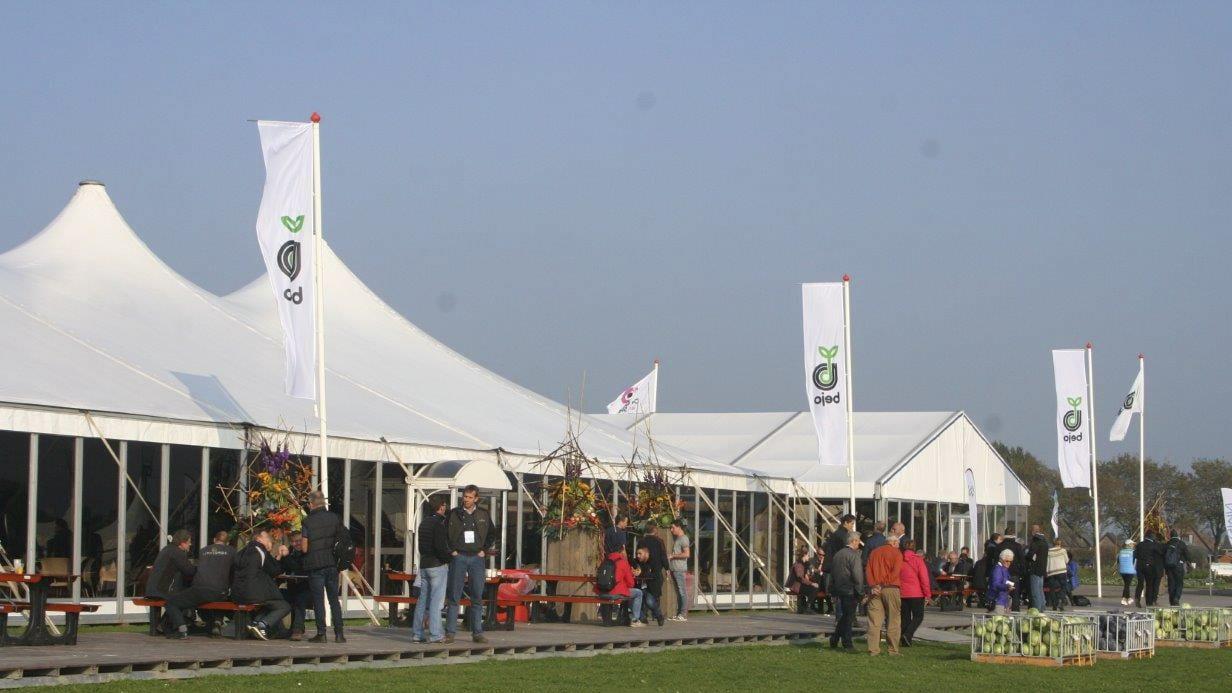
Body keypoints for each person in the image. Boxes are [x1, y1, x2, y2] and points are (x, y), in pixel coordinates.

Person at [446, 484, 496, 643]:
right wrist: (452, 550)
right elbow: (444, 533)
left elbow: (492, 533)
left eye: (469, 497)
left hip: (477, 558)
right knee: (454, 595)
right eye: (465, 497)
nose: (466, 500)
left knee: (477, 596)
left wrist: (484, 550)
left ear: (476, 499)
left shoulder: (483, 514)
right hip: (459, 556)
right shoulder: (454, 513)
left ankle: (477, 633)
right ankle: (450, 633)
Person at [302, 490, 347, 643]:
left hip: (315, 565)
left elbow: (304, 548)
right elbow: (342, 539)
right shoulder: (335, 518)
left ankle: (321, 633)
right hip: (332, 564)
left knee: (318, 600)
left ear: (311, 504)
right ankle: (339, 634)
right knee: (334, 599)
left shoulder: (307, 521)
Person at [232, 528, 289, 641]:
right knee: (283, 605)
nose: (270, 540)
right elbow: (274, 571)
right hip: (253, 592)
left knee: (268, 603)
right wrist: (282, 556)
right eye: (267, 538)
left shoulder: (241, 552)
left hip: (237, 593)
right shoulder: (260, 550)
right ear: (259, 539)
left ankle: (255, 624)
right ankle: (262, 625)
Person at [410, 496, 452, 643]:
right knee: (436, 601)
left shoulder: (424, 523)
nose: (445, 508)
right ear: (441, 507)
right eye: (445, 505)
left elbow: (421, 547)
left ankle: (417, 633)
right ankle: (436, 634)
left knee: (422, 601)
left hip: (424, 564)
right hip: (437, 565)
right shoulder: (439, 524)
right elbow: (440, 547)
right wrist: (449, 558)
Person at [864, 534, 903, 656]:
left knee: (874, 621)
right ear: (894, 543)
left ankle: (873, 649)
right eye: (898, 543)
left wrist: (873, 585)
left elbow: (868, 570)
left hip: (875, 589)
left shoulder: (874, 552)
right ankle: (893, 650)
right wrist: (883, 584)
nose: (899, 546)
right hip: (891, 588)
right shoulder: (896, 553)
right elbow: (895, 572)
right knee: (893, 620)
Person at [828, 533, 863, 651]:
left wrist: (832, 589)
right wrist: (860, 591)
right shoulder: (854, 555)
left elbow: (832, 573)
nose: (859, 544)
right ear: (853, 541)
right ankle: (847, 643)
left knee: (846, 616)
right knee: (848, 618)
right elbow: (858, 575)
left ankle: (835, 638)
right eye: (858, 541)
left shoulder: (838, 554)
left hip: (839, 588)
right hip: (850, 589)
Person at [594, 545, 644, 627]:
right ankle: (635, 620)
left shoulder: (605, 561)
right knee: (638, 593)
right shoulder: (623, 562)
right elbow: (631, 583)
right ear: (622, 550)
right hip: (615, 593)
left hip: (602, 592)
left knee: (622, 593)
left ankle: (615, 618)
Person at [823, 515, 856, 624]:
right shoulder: (843, 536)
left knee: (840, 593)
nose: (852, 526)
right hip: (840, 567)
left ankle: (841, 618)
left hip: (834, 566)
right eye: (851, 524)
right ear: (845, 523)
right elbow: (844, 552)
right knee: (843, 593)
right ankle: (842, 618)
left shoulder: (836, 534)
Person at [146, 530, 196, 601]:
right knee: (189, 599)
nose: (190, 544)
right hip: (162, 592)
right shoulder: (177, 552)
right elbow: (190, 571)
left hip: (152, 591)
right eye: (189, 542)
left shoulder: (167, 549)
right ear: (182, 543)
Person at [898, 539, 931, 647]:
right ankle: (908, 635)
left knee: (905, 617)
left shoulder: (899, 559)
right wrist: (927, 594)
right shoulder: (918, 560)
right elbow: (924, 578)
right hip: (916, 593)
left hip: (902, 592)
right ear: (914, 548)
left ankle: (904, 639)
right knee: (918, 616)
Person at [279, 531, 311, 640]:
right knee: (275, 596)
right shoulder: (289, 552)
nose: (296, 544)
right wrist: (279, 557)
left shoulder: (308, 553)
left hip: (307, 588)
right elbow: (280, 568)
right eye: (293, 541)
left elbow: (298, 569)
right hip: (292, 587)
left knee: (299, 600)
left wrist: (287, 557)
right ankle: (281, 628)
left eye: (298, 541)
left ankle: (297, 629)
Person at [632, 546, 666, 626]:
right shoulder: (637, 561)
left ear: (646, 554)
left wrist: (641, 573)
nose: (638, 556)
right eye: (637, 554)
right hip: (640, 586)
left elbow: (655, 575)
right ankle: (642, 618)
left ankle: (659, 616)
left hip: (652, 586)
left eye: (640, 553)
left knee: (649, 601)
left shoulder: (654, 562)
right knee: (635, 601)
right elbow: (632, 563)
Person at [667, 521, 691, 622]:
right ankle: (679, 613)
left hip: (679, 569)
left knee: (682, 591)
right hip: (674, 568)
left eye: (673, 527)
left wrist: (673, 556)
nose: (671, 530)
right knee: (678, 592)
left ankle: (683, 614)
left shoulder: (683, 539)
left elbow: (687, 554)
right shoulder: (678, 539)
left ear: (679, 527)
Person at [995, 530, 1025, 611]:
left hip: (1002, 574)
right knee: (1015, 593)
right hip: (1014, 574)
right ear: (1013, 535)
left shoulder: (999, 546)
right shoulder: (1018, 546)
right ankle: (1015, 611)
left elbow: (995, 560)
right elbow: (1022, 560)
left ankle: (1002, 609)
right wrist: (1022, 573)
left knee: (1002, 592)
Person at [1134, 531, 1164, 607]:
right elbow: (1161, 552)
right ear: (1152, 537)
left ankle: (1137, 598)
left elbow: (1135, 555)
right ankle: (1149, 602)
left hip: (1139, 566)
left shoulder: (1139, 544)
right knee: (1149, 584)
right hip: (1149, 566)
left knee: (1140, 583)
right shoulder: (1153, 545)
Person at [786, 548, 820, 615]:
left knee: (815, 586)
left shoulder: (805, 563)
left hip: (800, 584)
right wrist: (811, 583)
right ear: (804, 555)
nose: (808, 557)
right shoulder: (798, 564)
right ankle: (808, 607)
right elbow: (800, 578)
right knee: (814, 588)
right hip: (796, 586)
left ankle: (806, 606)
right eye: (808, 555)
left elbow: (811, 570)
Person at [1164, 529, 1192, 606]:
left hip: (1169, 567)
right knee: (1179, 583)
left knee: (1171, 583)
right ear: (1177, 535)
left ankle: (1171, 600)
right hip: (1179, 566)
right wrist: (1189, 563)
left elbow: (1164, 555)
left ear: (1170, 536)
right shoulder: (1181, 543)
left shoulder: (1167, 543)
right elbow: (1187, 555)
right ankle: (1176, 598)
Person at [1024, 525, 1049, 611]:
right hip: (1042, 569)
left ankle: (1037, 610)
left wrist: (1026, 555)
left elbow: (1030, 555)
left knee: (1035, 592)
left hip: (1034, 569)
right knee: (1040, 590)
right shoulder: (1045, 542)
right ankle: (1042, 607)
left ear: (1033, 532)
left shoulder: (1035, 542)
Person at [987, 549, 1016, 614]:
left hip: (1004, 600)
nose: (1009, 563)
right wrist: (1007, 587)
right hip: (997, 601)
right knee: (998, 618)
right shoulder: (997, 569)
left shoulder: (1004, 569)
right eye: (1007, 561)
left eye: (1010, 561)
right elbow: (995, 585)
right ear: (1001, 559)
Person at [1045, 538, 1070, 611]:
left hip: (1051, 572)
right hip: (1061, 571)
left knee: (1052, 589)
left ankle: (1054, 605)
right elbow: (1066, 560)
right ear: (1060, 543)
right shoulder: (1063, 550)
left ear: (1053, 543)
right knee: (1063, 587)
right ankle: (1060, 599)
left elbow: (1046, 561)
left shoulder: (1049, 551)